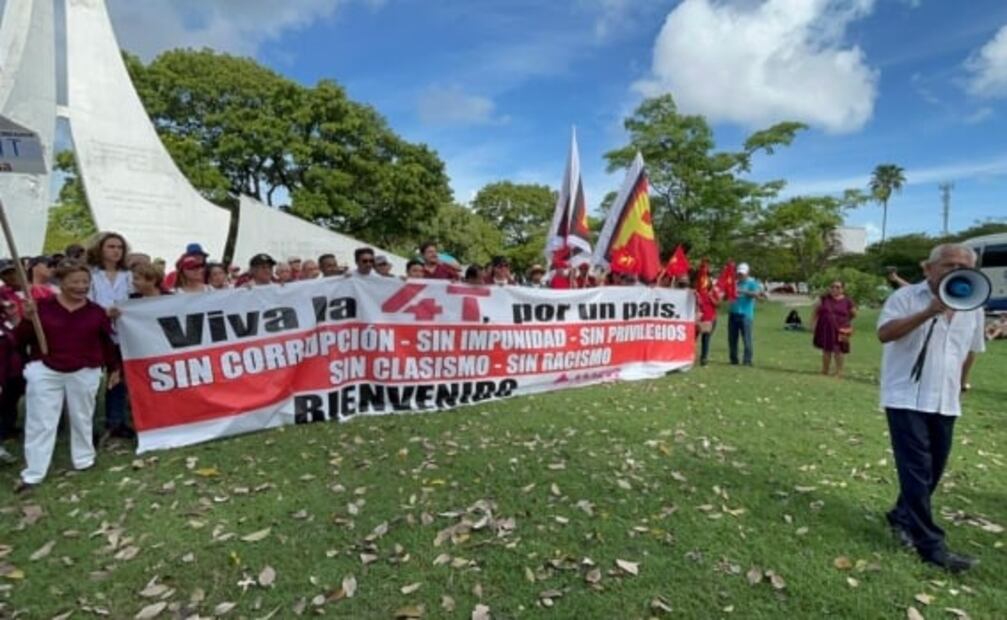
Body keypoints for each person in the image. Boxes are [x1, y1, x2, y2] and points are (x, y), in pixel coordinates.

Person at [876, 244, 985, 573]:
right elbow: (884, 334)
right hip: (905, 397)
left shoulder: (973, 304)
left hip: (945, 399)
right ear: (928, 268)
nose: (956, 270)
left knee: (933, 468)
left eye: (963, 265)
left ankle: (900, 516)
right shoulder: (904, 298)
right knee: (916, 469)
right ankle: (931, 546)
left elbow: (972, 349)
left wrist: (962, 383)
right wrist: (928, 311)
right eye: (948, 264)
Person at [15, 261, 120, 492]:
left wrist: (114, 368)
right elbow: (19, 339)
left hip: (84, 370)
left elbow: (106, 343)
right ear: (61, 283)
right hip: (45, 369)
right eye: (74, 282)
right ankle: (34, 472)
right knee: (41, 420)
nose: (81, 287)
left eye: (85, 282)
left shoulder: (95, 312)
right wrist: (27, 319)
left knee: (82, 416)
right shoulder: (41, 308)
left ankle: (84, 459)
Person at [85, 231, 133, 439]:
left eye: (119, 247)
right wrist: (104, 313)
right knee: (92, 379)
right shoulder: (91, 275)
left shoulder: (129, 275)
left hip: (123, 332)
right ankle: (88, 425)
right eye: (111, 247)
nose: (116, 251)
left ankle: (117, 421)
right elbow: (85, 303)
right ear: (100, 249)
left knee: (119, 378)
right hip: (95, 333)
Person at [812, 280, 857, 377]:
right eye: (832, 287)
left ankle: (839, 372)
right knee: (826, 349)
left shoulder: (848, 300)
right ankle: (825, 370)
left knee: (839, 351)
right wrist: (812, 324)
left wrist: (845, 322)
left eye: (837, 287)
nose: (834, 289)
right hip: (826, 328)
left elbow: (854, 314)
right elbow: (816, 312)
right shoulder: (824, 299)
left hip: (842, 329)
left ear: (842, 289)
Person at [727, 262, 765, 366]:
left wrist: (743, 292)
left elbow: (757, 294)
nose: (740, 275)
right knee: (732, 338)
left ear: (747, 273)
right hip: (733, 313)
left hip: (745, 315)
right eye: (739, 273)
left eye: (742, 274)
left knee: (747, 339)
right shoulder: (734, 283)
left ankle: (747, 360)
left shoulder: (752, 283)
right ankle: (733, 359)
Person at [696, 280, 722, 367]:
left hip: (710, 319)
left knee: (706, 339)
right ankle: (689, 356)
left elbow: (718, 304)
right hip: (698, 318)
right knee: (693, 338)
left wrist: (711, 297)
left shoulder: (713, 292)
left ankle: (704, 359)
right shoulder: (697, 292)